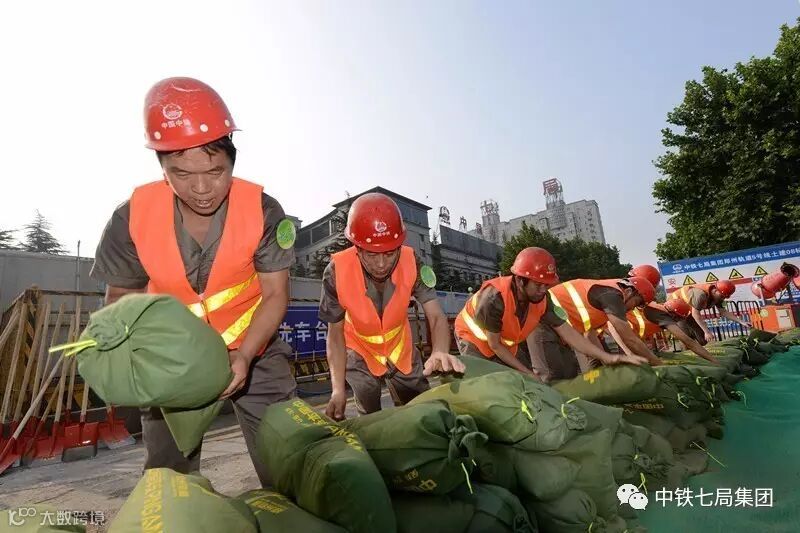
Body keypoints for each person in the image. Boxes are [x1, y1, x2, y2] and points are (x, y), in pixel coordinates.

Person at [90, 77, 297, 487]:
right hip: (172, 362)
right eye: (181, 173)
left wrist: (245, 355)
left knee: (289, 458)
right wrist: (128, 360)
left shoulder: (263, 210)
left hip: (255, 350)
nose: (202, 189)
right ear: (161, 167)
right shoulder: (131, 217)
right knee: (169, 480)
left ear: (233, 160)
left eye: (216, 171)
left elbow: (276, 294)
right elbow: (121, 300)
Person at [321, 193, 464, 419]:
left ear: (399, 245)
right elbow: (335, 334)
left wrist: (439, 351)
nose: (381, 264)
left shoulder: (412, 261)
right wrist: (337, 389)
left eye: (389, 253)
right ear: (357, 247)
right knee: (370, 415)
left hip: (400, 347)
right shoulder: (336, 271)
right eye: (371, 254)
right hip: (359, 349)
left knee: (422, 410)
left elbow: (436, 315)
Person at [454, 247, 647, 379]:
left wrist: (607, 357)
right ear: (520, 281)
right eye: (538, 285)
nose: (543, 290)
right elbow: (494, 345)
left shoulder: (542, 299)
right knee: (487, 388)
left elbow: (569, 333)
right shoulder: (494, 298)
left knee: (524, 384)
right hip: (475, 342)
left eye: (546, 285)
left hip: (504, 346)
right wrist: (527, 373)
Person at [532, 276, 661, 381]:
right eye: (636, 303)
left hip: (560, 331)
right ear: (628, 291)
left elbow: (590, 334)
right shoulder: (612, 295)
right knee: (552, 375)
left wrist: (606, 358)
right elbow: (629, 338)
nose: (633, 309)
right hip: (542, 322)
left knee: (569, 374)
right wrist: (658, 364)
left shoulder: (605, 301)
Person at [624, 299, 721, 364]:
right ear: (674, 315)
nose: (677, 322)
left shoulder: (656, 308)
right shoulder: (662, 315)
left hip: (628, 335)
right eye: (678, 319)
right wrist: (715, 361)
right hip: (624, 334)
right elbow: (688, 341)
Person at [670, 280, 746, 344]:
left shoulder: (718, 296)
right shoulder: (700, 295)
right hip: (675, 311)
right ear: (715, 291)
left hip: (688, 311)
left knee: (703, 338)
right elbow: (695, 314)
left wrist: (741, 322)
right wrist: (707, 332)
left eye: (725, 297)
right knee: (686, 338)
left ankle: (705, 353)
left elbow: (723, 312)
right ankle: (688, 354)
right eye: (722, 296)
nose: (723, 299)